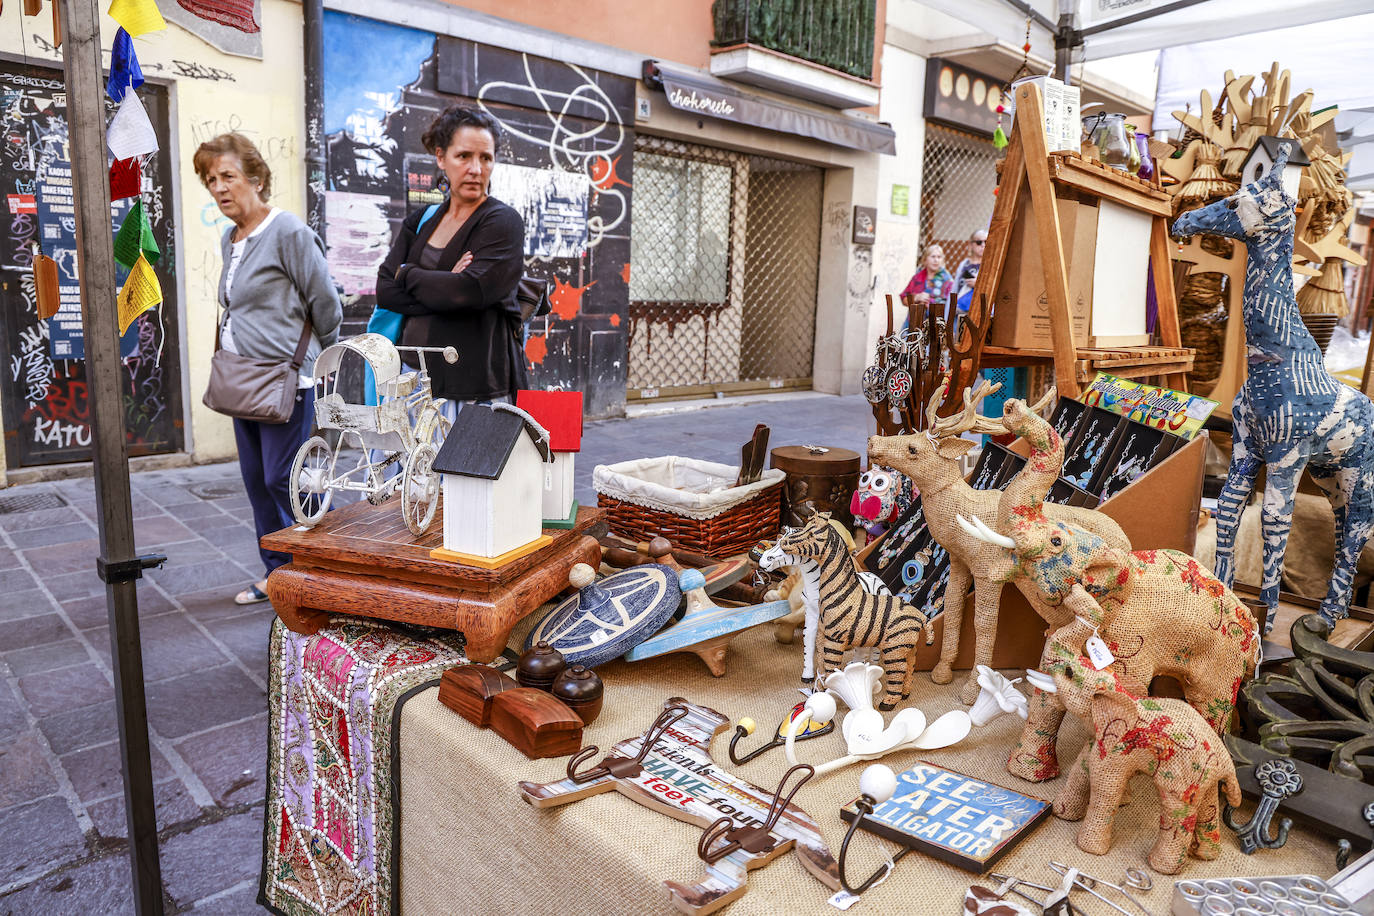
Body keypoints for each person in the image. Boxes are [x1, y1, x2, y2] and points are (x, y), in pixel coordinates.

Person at [194, 133, 342, 605]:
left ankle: (330, 562)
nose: (219, 188)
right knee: (258, 482)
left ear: (255, 179)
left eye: (228, 177)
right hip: (244, 382)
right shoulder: (230, 238)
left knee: (287, 478)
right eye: (210, 179)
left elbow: (326, 301)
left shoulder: (288, 232)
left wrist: (324, 359)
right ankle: (277, 574)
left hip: (286, 380)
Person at [374, 105, 526, 418]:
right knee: (410, 468)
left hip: (473, 391)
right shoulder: (422, 220)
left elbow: (469, 291)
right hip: (412, 380)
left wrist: (409, 273)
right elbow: (385, 291)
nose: (476, 169)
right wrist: (444, 284)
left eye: (486, 158)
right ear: (441, 158)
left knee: (463, 469)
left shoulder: (501, 222)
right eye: (464, 156)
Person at [900, 244, 954, 329]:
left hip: (936, 327)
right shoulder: (917, 278)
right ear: (925, 259)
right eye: (933, 256)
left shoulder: (947, 280)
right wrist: (917, 297)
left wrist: (930, 302)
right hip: (914, 323)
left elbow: (951, 305)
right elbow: (904, 299)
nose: (936, 260)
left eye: (939, 257)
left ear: (942, 260)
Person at [953, 230, 987, 295]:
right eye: (979, 242)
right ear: (971, 245)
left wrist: (979, 284)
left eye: (986, 242)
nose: (983, 245)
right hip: (960, 303)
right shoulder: (964, 264)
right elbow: (955, 288)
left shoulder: (991, 265)